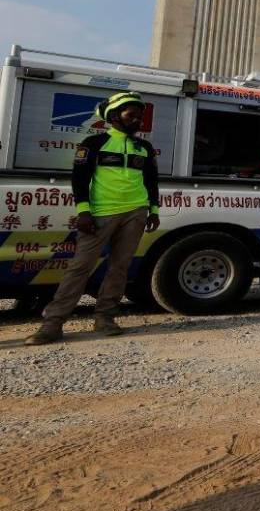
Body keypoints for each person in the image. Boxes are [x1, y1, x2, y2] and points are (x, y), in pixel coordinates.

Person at [25, 91, 161, 345]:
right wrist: (83, 211)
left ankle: (105, 317)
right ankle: (52, 325)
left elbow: (151, 181)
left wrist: (153, 210)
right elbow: (80, 179)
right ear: (114, 116)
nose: (138, 119)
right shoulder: (93, 143)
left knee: (120, 268)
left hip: (136, 212)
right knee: (80, 268)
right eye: (132, 114)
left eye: (140, 115)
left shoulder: (145, 148)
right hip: (99, 214)